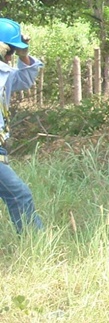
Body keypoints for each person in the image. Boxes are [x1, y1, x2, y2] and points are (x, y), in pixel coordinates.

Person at [0, 18, 44, 232]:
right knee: (20, 194)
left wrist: (24, 54)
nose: (11, 58)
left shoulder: (5, 74)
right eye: (10, 52)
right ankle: (35, 243)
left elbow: (25, 79)